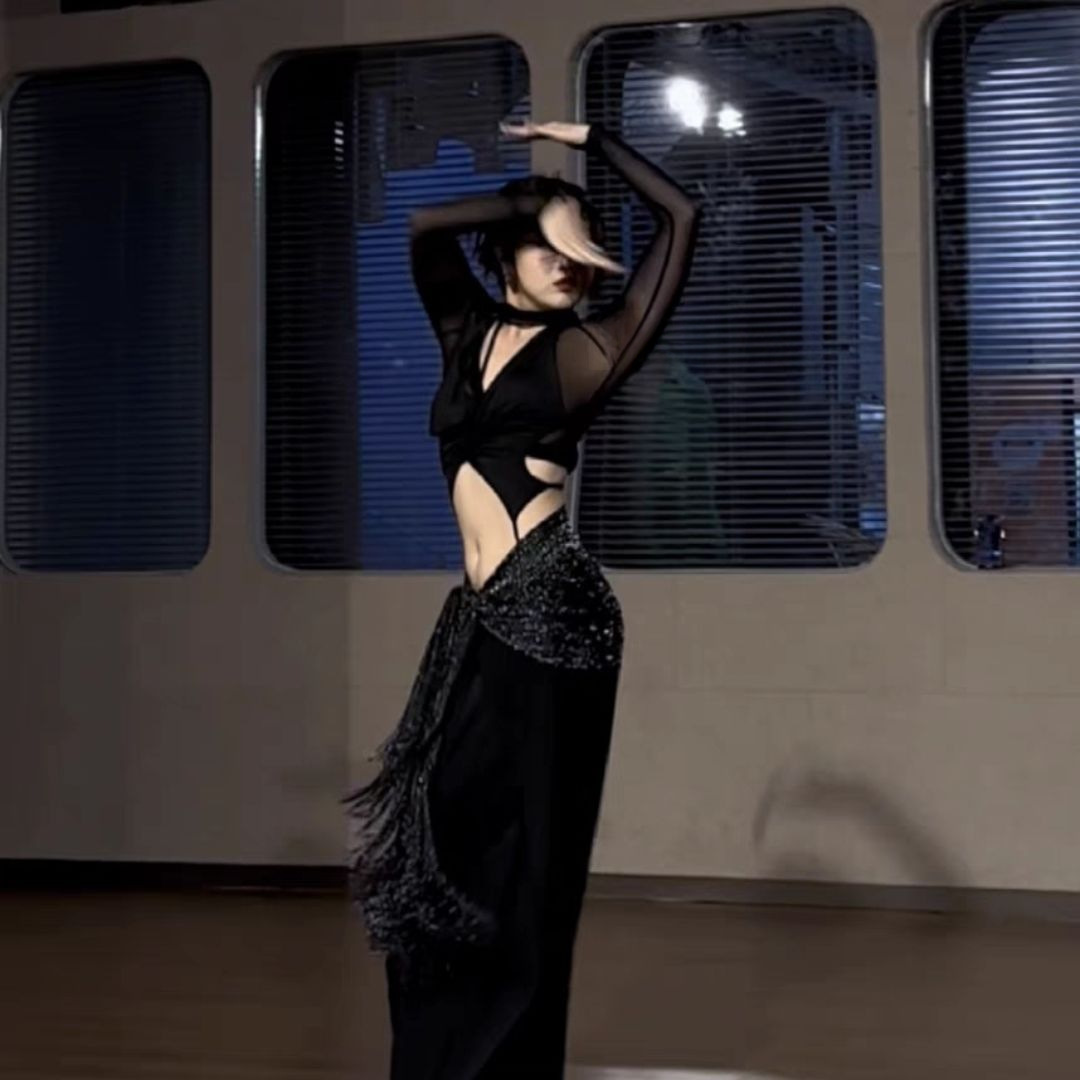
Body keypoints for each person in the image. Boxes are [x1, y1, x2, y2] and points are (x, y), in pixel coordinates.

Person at [341, 118, 700, 1079]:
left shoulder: (587, 351)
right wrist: (532, 199)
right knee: (444, 840)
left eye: (584, 252)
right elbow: (424, 227)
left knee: (530, 868)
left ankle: (507, 1067)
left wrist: (593, 140)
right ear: (507, 251)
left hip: (557, 615)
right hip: (481, 616)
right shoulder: (465, 328)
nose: (572, 265)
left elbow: (682, 217)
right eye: (552, 248)